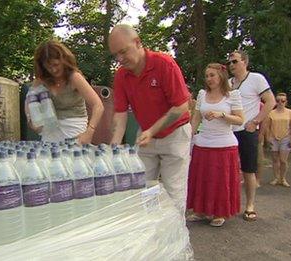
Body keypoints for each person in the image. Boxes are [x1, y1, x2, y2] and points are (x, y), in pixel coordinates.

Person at [108, 24, 192, 212]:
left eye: (123, 52)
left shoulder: (164, 64)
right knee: (143, 188)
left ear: (137, 42)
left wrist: (152, 130)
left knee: (173, 192)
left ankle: (176, 239)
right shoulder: (121, 75)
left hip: (175, 134)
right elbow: (120, 114)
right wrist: (114, 144)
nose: (120, 59)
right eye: (115, 55)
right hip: (145, 137)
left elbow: (181, 106)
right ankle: (152, 233)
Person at [186, 63, 244, 227]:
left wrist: (222, 114)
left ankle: (219, 212)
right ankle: (200, 210)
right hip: (203, 143)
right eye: (207, 76)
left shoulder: (232, 95)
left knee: (220, 181)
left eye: (212, 75)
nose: (209, 79)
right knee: (202, 178)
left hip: (224, 144)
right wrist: (189, 135)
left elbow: (240, 119)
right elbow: (196, 118)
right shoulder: (202, 94)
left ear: (221, 76)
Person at [227, 50, 276, 221]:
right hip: (228, 133)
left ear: (245, 62)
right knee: (228, 171)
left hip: (247, 132)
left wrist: (255, 122)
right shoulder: (228, 83)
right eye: (230, 62)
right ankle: (227, 205)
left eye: (235, 61)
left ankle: (250, 205)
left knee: (248, 169)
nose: (231, 65)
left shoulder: (256, 78)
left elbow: (271, 101)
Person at [26, 40, 104, 144]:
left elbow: (98, 106)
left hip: (75, 132)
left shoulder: (75, 77)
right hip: (50, 133)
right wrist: (30, 119)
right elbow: (29, 100)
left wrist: (89, 132)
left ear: (64, 60)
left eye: (56, 64)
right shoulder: (41, 81)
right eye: (48, 66)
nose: (53, 70)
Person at [266, 93, 291, 187]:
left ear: (286, 102)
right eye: (278, 100)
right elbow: (267, 126)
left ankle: (283, 178)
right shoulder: (271, 112)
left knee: (283, 160)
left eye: (283, 101)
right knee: (275, 159)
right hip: (273, 137)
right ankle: (276, 177)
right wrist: (267, 138)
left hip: (286, 138)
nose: (280, 102)